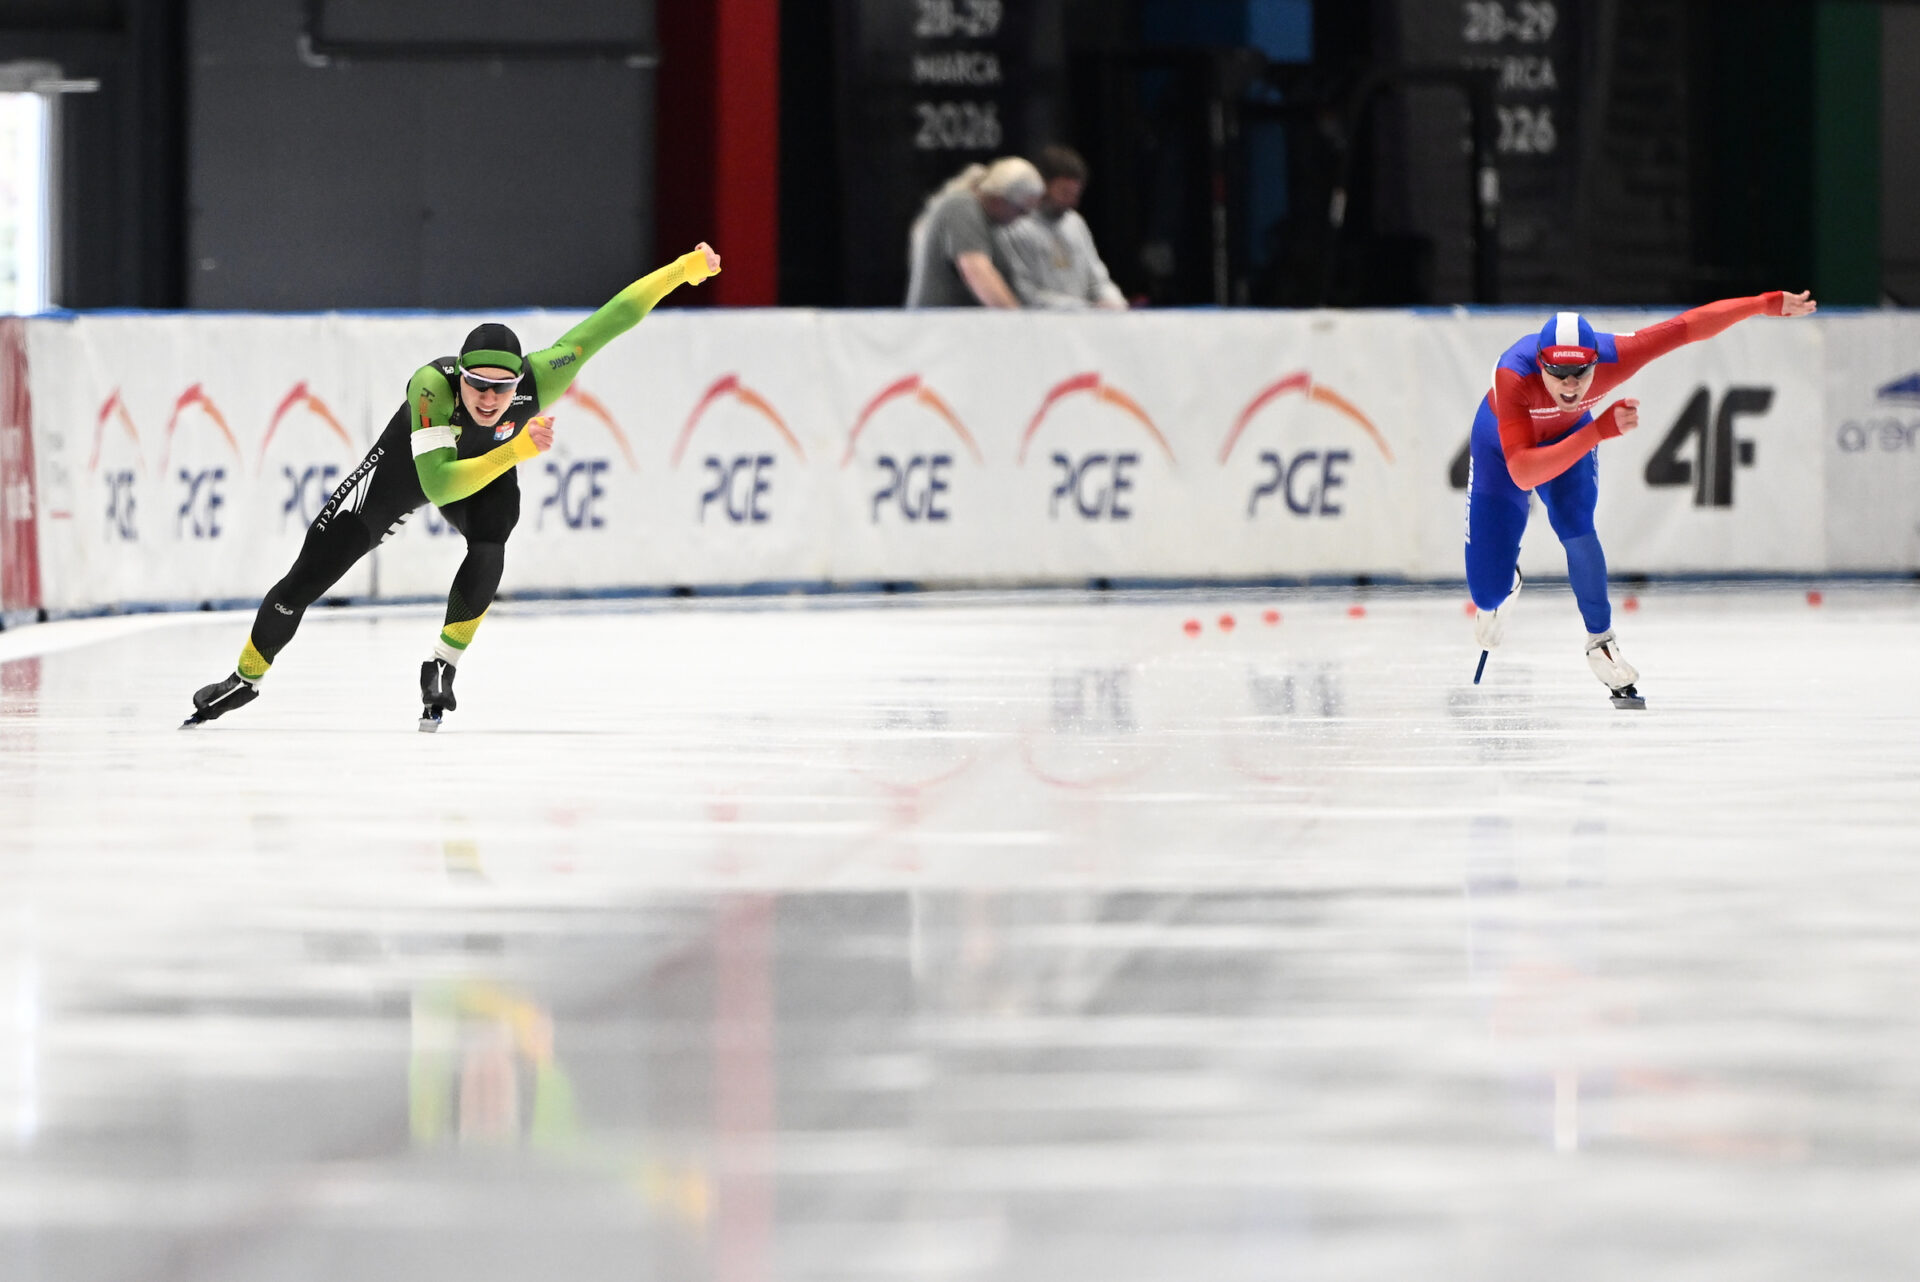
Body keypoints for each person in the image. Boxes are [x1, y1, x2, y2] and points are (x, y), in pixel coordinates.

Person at [182, 242, 723, 731]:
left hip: (483, 472)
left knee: (493, 537)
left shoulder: (543, 377)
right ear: (460, 376)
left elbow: (614, 318)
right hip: (401, 477)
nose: (488, 399)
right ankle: (244, 678)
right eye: (477, 385)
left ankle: (442, 664)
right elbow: (438, 484)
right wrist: (516, 449)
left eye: (502, 389)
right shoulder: (430, 387)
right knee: (306, 577)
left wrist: (684, 269)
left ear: (520, 382)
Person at [1466, 289, 1817, 706]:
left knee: (1576, 525)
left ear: (1597, 361)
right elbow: (1522, 472)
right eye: (1559, 373)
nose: (1571, 385)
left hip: (1569, 437)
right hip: (1502, 450)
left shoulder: (1618, 355)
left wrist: (1762, 303)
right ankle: (1503, 582)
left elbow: (1689, 326)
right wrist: (1599, 431)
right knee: (1487, 594)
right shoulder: (1513, 373)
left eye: (1581, 371)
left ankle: (1601, 642)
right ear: (1541, 363)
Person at [997, 145, 1126, 311]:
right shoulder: (1014, 226)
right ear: (1042, 186)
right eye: (1064, 193)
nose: (1072, 201)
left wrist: (1114, 301)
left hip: (1084, 319)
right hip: (1040, 321)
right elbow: (1024, 292)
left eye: (1076, 194)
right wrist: (1084, 308)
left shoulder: (1075, 223)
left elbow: (1097, 279)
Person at [904, 157, 1042, 309]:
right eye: (1021, 211)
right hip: (939, 321)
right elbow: (976, 272)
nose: (1021, 219)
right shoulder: (961, 206)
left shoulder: (988, 222)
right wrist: (1017, 319)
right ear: (999, 200)